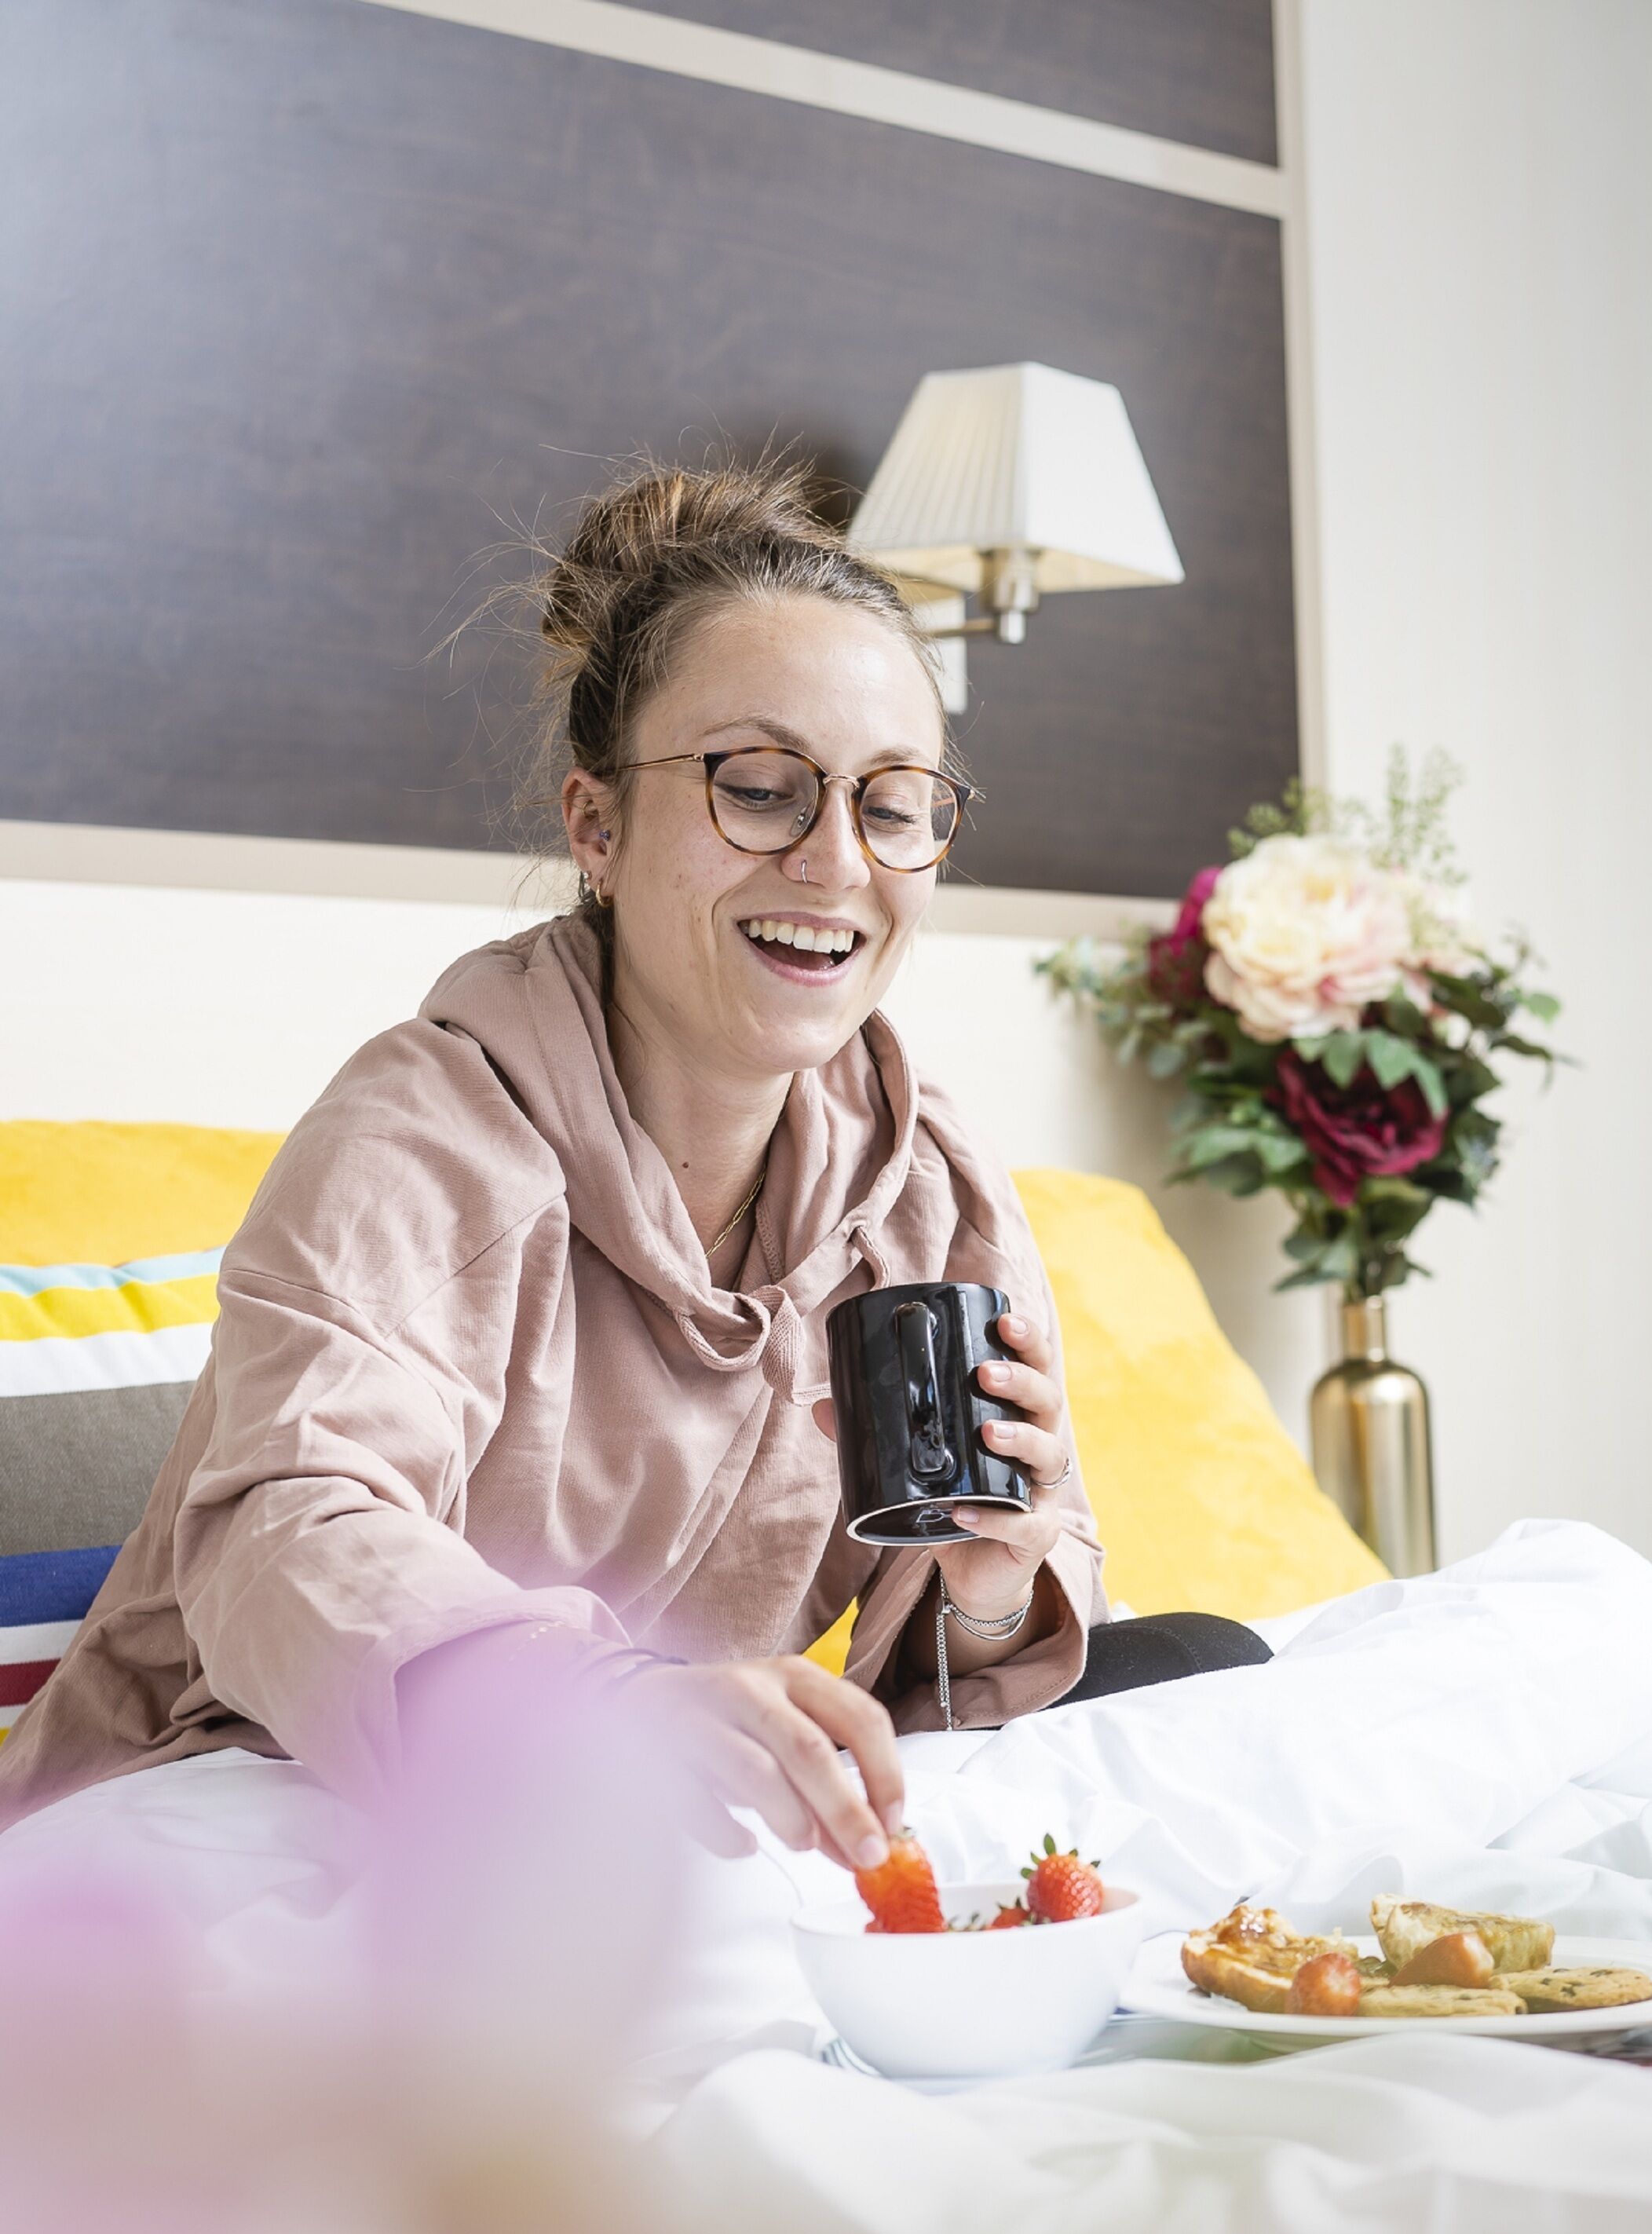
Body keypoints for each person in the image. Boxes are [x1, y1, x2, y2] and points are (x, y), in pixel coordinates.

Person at [0, 458, 1263, 1871]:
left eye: (895, 804)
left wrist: (990, 1587)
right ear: (596, 827)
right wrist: (607, 1705)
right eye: (762, 789)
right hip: (256, 1797)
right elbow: (289, 1533)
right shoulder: (424, 1138)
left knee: (1219, 1666)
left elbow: (940, 1702)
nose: (837, 862)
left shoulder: (928, 1191)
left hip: (629, 1831)